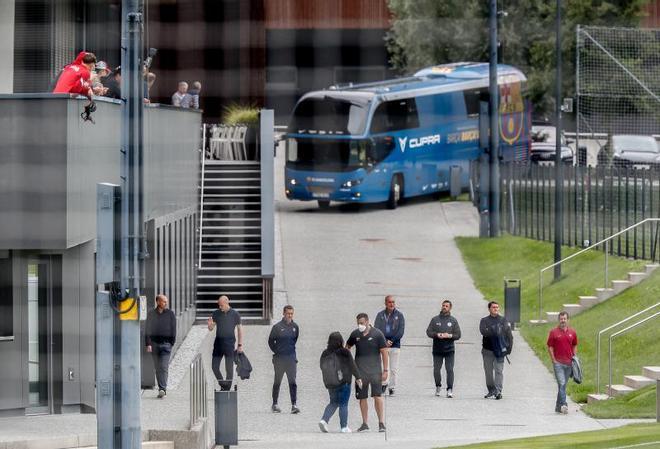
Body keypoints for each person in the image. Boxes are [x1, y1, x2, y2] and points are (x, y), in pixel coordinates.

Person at [346, 313, 389, 433]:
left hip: (375, 371)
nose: (360, 325)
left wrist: (385, 370)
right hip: (360, 372)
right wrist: (349, 363)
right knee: (362, 398)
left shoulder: (377, 334)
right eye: (358, 323)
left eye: (362, 323)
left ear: (368, 321)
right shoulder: (355, 334)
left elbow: (384, 352)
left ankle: (381, 423)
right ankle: (365, 423)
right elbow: (347, 347)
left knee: (378, 396)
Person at [319, 332, 362, 433]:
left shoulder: (325, 353)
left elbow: (322, 366)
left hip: (331, 383)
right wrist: (358, 377)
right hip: (344, 383)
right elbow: (352, 365)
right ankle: (344, 427)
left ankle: (324, 420)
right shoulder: (345, 352)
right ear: (340, 341)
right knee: (343, 404)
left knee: (333, 402)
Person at [268, 305, 300, 414]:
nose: (290, 315)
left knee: (293, 382)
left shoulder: (295, 327)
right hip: (279, 359)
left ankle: (294, 405)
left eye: (291, 313)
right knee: (277, 381)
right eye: (288, 313)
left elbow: (294, 340)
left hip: (291, 359)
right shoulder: (277, 327)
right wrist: (277, 351)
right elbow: (270, 342)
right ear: (283, 313)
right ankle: (275, 404)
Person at [426, 299, 461, 398]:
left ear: (450, 308)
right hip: (437, 349)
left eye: (446, 306)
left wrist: (449, 336)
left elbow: (458, 335)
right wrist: (438, 335)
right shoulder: (435, 319)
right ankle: (438, 386)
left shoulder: (453, 320)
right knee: (437, 370)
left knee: (449, 369)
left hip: (449, 350)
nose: (444, 307)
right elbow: (428, 332)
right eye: (443, 305)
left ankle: (449, 389)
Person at [207, 295, 243, 390]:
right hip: (218, 344)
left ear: (227, 303)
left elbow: (240, 330)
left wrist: (240, 345)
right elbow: (211, 328)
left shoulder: (235, 314)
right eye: (219, 305)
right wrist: (209, 325)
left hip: (229, 344)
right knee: (214, 366)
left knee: (229, 369)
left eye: (221, 305)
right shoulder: (216, 313)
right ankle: (223, 384)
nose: (220, 307)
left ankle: (226, 390)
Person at [479, 301, 513, 400]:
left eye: (497, 307)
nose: (496, 309)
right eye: (493, 307)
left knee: (499, 371)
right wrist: (496, 330)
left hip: (500, 351)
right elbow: (483, 331)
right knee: (488, 372)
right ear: (489, 309)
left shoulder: (503, 320)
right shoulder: (484, 320)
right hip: (487, 350)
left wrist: (509, 349)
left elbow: (509, 335)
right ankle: (491, 390)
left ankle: (498, 391)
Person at [145, 294, 176, 398]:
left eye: (166, 302)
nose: (166, 303)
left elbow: (173, 328)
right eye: (164, 301)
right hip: (154, 345)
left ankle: (163, 389)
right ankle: (161, 388)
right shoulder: (151, 314)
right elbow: (147, 329)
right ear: (158, 302)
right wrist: (148, 343)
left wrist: (172, 342)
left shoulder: (170, 314)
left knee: (163, 366)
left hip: (166, 345)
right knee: (157, 368)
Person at [547, 311, 578, 414]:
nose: (563, 321)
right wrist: (553, 360)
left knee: (562, 386)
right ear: (558, 320)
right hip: (558, 363)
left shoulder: (572, 332)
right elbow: (550, 346)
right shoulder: (553, 332)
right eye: (561, 319)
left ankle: (557, 406)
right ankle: (564, 404)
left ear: (568, 320)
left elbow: (574, 345)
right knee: (562, 383)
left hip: (569, 363)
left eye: (564, 319)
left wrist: (574, 358)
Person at [373, 295, 405, 395]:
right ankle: (383, 383)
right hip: (383, 345)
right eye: (390, 302)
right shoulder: (380, 315)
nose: (392, 304)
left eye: (393, 302)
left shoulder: (399, 315)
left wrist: (391, 340)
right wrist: (384, 340)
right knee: (383, 366)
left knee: (393, 368)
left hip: (395, 345)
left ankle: (392, 387)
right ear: (386, 303)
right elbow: (376, 329)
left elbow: (401, 331)